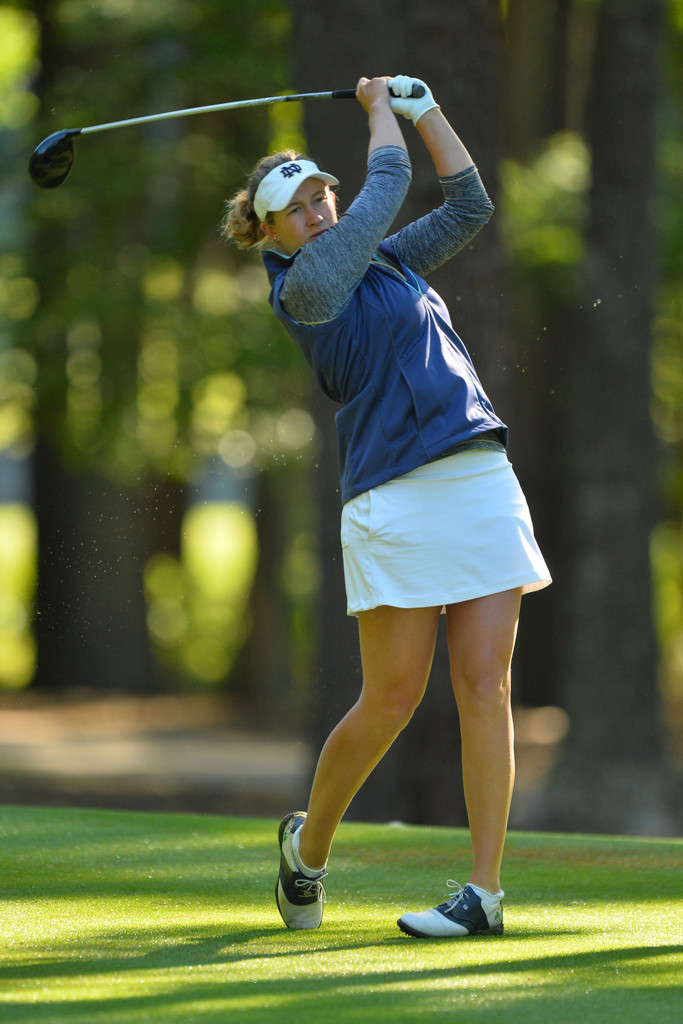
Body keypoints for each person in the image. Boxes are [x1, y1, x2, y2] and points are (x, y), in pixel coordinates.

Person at [223, 75, 551, 938]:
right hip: (392, 495)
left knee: (486, 687)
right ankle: (308, 849)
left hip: (477, 477)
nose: (320, 209)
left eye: (322, 191)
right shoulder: (304, 289)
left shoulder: (390, 261)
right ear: (268, 231)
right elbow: (388, 187)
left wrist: (423, 108)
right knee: (392, 700)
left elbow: (470, 203)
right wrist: (376, 115)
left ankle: (481, 895)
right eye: (297, 206)